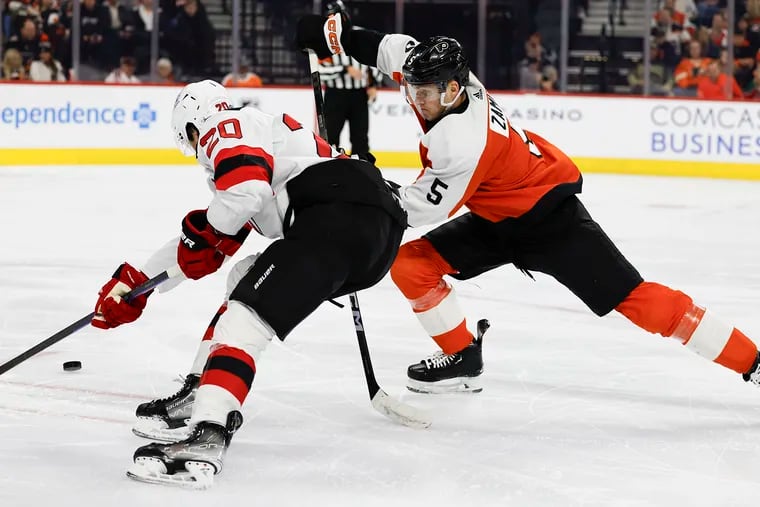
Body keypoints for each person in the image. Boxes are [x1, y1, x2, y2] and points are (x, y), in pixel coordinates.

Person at [295, 17, 760, 395]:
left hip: (549, 221)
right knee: (411, 265)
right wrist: (334, 35)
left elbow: (415, 208)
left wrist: (349, 192)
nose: (418, 100)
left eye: (428, 94)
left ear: (456, 90)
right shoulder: (434, 77)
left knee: (634, 300)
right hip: (497, 217)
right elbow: (383, 48)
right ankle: (462, 356)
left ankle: (752, 361)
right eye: (414, 90)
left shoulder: (463, 141)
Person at [91, 79, 406, 487]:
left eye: (190, 136)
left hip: (336, 218)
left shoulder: (227, 125)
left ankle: (208, 433)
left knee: (244, 321)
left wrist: (204, 232)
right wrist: (137, 286)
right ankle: (201, 389)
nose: (197, 148)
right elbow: (212, 244)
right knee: (245, 281)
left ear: (193, 121)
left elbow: (242, 195)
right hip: (372, 235)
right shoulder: (268, 145)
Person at [317, 0, 380, 161]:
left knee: (360, 138)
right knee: (330, 137)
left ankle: (363, 172)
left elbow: (375, 62)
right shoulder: (323, 40)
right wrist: (344, 69)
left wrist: (372, 84)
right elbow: (321, 73)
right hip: (334, 95)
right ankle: (330, 171)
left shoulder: (360, 33)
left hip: (359, 95)